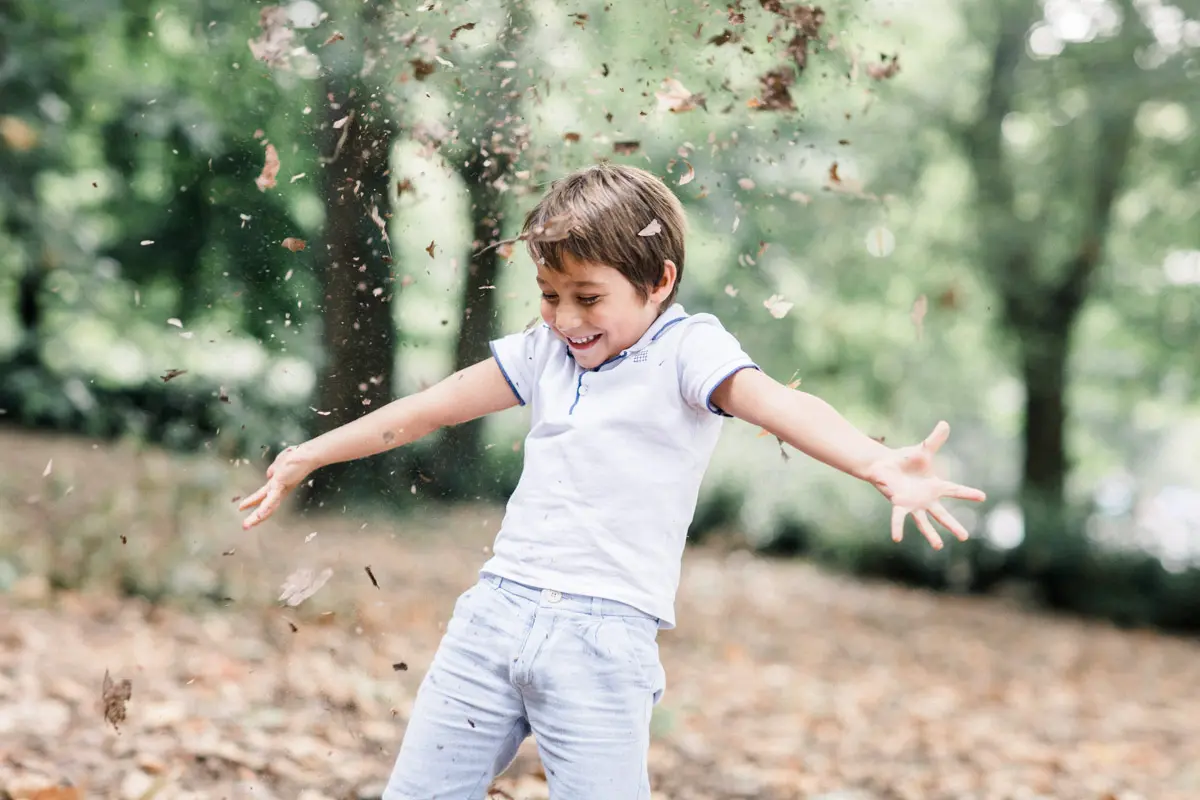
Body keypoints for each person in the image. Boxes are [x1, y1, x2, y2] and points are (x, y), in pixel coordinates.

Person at [238, 162, 986, 799]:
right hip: (492, 620)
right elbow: (429, 410)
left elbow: (778, 404)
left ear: (658, 281)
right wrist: (312, 453)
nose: (565, 319)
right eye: (549, 294)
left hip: (603, 642)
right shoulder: (544, 353)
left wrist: (875, 461)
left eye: (587, 297)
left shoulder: (687, 351)